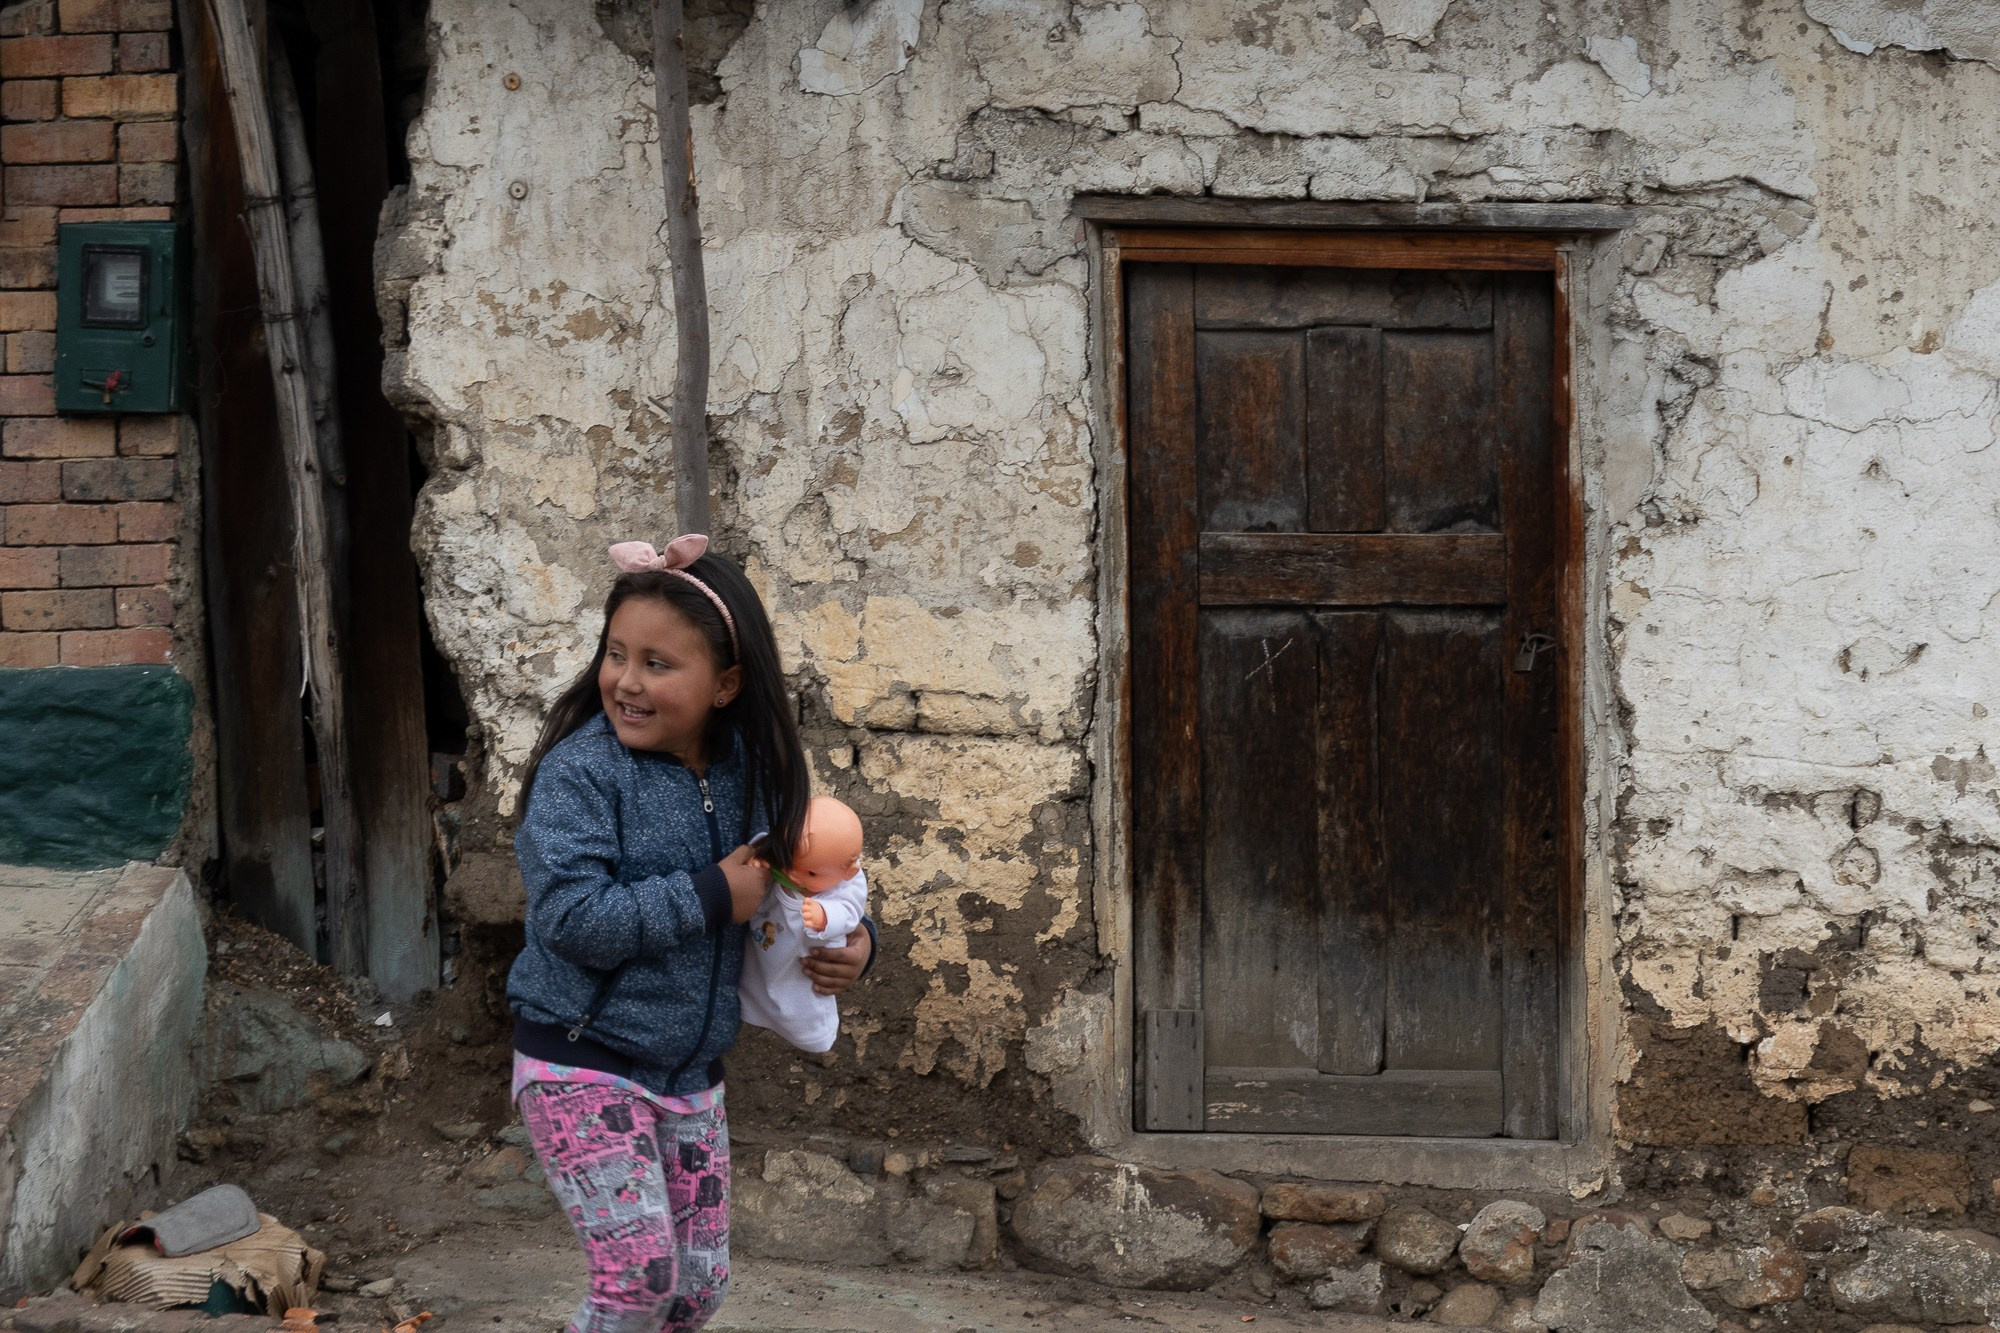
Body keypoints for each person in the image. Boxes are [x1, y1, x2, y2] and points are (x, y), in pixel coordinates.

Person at [505, 533, 875, 1333]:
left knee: (696, 1289)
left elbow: (820, 874)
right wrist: (712, 893)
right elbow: (569, 919)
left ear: (726, 684)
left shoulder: (754, 768)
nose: (626, 682)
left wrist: (855, 940)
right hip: (579, 1057)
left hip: (690, 1071)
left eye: (658, 664)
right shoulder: (581, 774)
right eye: (616, 654)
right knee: (638, 1280)